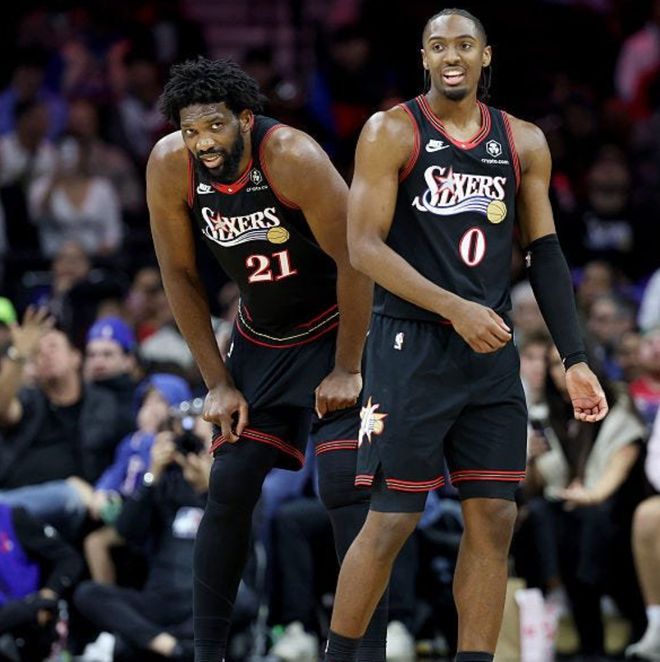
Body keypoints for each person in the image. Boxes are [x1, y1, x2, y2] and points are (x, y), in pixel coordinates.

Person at [324, 9, 609, 662]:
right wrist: (455, 308)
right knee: (392, 519)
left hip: (488, 351)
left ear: (485, 56)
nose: (450, 56)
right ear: (424, 58)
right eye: (437, 46)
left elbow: (544, 252)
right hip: (410, 346)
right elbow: (363, 247)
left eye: (463, 45)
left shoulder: (523, 140)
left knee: (496, 517)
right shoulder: (391, 131)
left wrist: (575, 358)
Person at [147, 57, 379, 661]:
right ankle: (208, 654)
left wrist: (348, 367)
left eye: (215, 127)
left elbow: (358, 260)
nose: (203, 142)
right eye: (191, 130)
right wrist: (217, 382)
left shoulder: (292, 157)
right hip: (262, 334)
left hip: (338, 326)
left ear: (245, 119)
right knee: (229, 481)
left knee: (344, 487)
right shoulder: (170, 165)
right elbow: (179, 275)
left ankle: (364, 653)